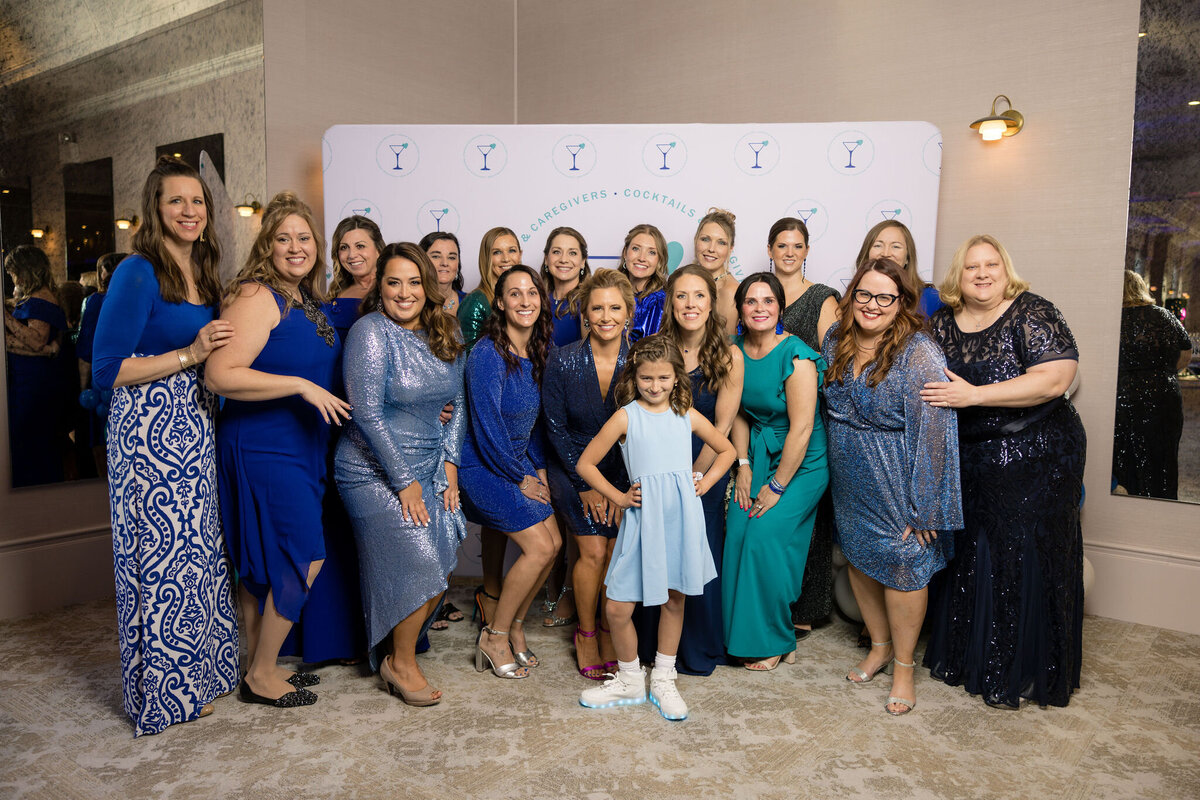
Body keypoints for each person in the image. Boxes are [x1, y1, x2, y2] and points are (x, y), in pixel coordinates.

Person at [90, 156, 238, 735]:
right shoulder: (137, 270)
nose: (189, 211)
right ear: (155, 208)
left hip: (195, 426)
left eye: (197, 201)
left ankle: (198, 678)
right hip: (147, 429)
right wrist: (190, 356)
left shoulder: (204, 268)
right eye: (176, 201)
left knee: (196, 556)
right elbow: (106, 370)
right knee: (159, 563)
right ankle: (163, 695)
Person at [922, 234, 1086, 709]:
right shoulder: (941, 323)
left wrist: (974, 396)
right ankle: (972, 659)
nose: (982, 273)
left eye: (991, 264)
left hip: (1037, 451)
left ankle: (1026, 668)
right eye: (971, 266)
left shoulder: (1033, 311)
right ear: (959, 275)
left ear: (1004, 267)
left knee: (1022, 552)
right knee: (972, 552)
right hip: (971, 455)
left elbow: (1056, 379)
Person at [206, 191, 351, 708]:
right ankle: (263, 672)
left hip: (303, 442)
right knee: (305, 554)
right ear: (267, 244)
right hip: (264, 442)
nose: (295, 247)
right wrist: (300, 387)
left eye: (304, 238)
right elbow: (220, 374)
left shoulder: (303, 298)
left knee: (267, 560)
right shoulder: (255, 296)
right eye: (283, 237)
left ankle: (256, 665)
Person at [824, 257, 962, 716]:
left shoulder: (918, 352)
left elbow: (935, 433)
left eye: (885, 296)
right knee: (861, 562)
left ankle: (904, 667)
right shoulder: (835, 340)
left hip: (897, 482)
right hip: (849, 479)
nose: (872, 304)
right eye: (864, 294)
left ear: (902, 302)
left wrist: (926, 507)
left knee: (904, 568)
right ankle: (879, 646)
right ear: (852, 296)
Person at [335, 242, 467, 706]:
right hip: (373, 470)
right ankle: (400, 663)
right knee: (422, 562)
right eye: (393, 282)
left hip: (430, 464)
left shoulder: (444, 330)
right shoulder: (371, 331)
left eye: (414, 282)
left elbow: (460, 403)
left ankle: (401, 656)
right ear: (381, 287)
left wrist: (449, 466)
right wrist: (404, 482)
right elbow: (366, 414)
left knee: (442, 555)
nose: (404, 292)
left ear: (428, 287)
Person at [575, 335, 735, 720]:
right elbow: (585, 465)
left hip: (681, 517)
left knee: (674, 599)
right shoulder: (626, 416)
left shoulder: (688, 415)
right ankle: (630, 678)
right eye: (647, 378)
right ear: (635, 377)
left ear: (676, 378)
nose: (655, 386)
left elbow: (726, 450)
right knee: (616, 608)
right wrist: (618, 496)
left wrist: (704, 482)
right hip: (643, 521)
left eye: (663, 378)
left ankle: (664, 677)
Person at [279, 215, 382, 665]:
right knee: (331, 527)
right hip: (330, 415)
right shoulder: (322, 300)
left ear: (379, 248)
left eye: (361, 244)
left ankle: (380, 636)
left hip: (379, 421)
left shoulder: (400, 291)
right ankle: (332, 639)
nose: (353, 253)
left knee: (374, 531)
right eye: (343, 247)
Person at [637, 264, 743, 676]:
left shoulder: (729, 354)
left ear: (712, 303)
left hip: (704, 472)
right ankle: (653, 648)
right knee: (658, 556)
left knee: (697, 558)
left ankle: (696, 649)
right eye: (681, 295)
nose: (690, 304)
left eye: (699, 295)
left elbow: (722, 427)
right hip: (658, 470)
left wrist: (691, 477)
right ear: (670, 302)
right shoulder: (654, 348)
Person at [459, 265, 561, 679]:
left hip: (515, 464)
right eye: (514, 294)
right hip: (482, 467)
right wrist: (521, 478)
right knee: (538, 548)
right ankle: (494, 635)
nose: (525, 301)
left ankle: (516, 626)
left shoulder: (536, 351)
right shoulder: (487, 353)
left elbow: (532, 426)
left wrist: (540, 471)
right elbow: (487, 431)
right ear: (499, 303)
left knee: (553, 544)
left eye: (532, 293)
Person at [723, 273, 828, 670]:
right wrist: (744, 465)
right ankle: (737, 636)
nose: (760, 308)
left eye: (768, 301)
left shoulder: (796, 356)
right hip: (757, 454)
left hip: (802, 463)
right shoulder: (734, 349)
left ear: (780, 309)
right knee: (737, 529)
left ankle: (778, 638)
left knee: (764, 535)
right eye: (751, 301)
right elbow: (736, 414)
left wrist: (779, 484)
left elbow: (802, 428)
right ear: (740, 309)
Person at [542, 268, 633, 679]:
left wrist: (617, 490)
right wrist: (584, 485)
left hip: (623, 472)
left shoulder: (642, 360)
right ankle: (585, 633)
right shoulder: (561, 360)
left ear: (628, 313)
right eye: (598, 307)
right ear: (585, 314)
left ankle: (610, 624)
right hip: (570, 466)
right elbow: (555, 427)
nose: (606, 315)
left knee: (614, 552)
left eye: (615, 307)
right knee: (593, 550)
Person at [770, 217, 840, 641]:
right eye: (782, 244)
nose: (790, 252)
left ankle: (806, 606)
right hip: (766, 417)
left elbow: (831, 359)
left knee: (808, 516)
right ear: (771, 249)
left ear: (807, 250)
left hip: (805, 415)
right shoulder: (762, 291)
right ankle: (774, 598)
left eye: (797, 245)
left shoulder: (821, 297)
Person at [1112, 269, 1192, 499]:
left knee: (1123, 455)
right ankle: (1162, 504)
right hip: (1163, 394)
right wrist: (1163, 371)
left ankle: (1125, 504)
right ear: (1141, 287)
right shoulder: (1165, 316)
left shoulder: (1112, 319)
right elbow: (1186, 354)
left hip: (1123, 394)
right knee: (1162, 455)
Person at [4, 245, 67, 487]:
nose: (12, 277)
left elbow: (36, 341)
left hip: (34, 383)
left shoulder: (41, 299)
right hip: (26, 378)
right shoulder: (34, 297)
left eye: (13, 272)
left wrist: (6, 318)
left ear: (26, 271)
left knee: (31, 438)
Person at [76, 251, 126, 478]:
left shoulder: (95, 302)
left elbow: (86, 351)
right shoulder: (138, 299)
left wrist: (82, 385)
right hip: (132, 379)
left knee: (102, 441)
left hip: (105, 381)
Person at [855, 220, 942, 319]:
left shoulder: (932, 299)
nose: (886, 253)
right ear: (866, 254)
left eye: (896, 246)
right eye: (878, 245)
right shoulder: (854, 297)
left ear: (908, 258)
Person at [457, 226, 521, 350]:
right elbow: (468, 358)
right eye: (497, 252)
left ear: (520, 254)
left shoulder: (527, 299)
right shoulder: (475, 302)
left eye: (512, 250)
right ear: (486, 258)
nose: (506, 258)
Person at [617, 223, 668, 342]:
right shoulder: (610, 292)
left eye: (651, 252)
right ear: (625, 253)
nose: (642, 258)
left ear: (659, 260)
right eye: (636, 248)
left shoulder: (661, 302)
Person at [540, 226, 589, 347]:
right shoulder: (535, 299)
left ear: (583, 261)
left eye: (572, 253)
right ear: (546, 259)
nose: (563, 259)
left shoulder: (588, 301)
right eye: (557, 252)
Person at [693, 208, 740, 335]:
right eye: (705, 239)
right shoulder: (686, 280)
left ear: (730, 249)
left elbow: (728, 347)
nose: (711, 249)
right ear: (696, 240)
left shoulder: (731, 291)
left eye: (721, 242)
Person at [420, 232, 466, 317]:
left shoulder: (470, 302)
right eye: (436, 256)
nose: (445, 263)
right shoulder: (414, 303)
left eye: (451, 257)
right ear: (422, 260)